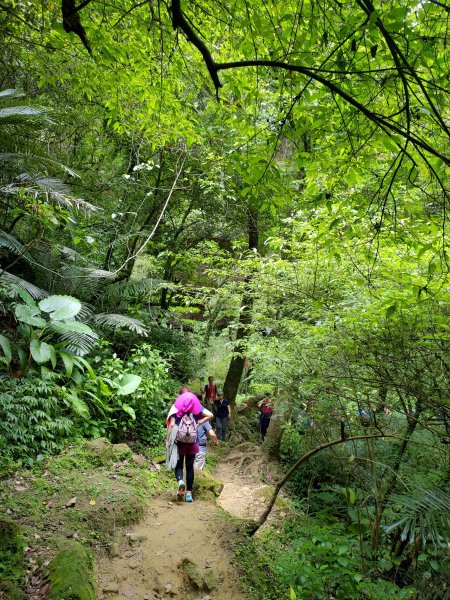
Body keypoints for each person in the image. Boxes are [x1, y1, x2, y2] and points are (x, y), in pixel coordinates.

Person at [166, 391, 212, 502]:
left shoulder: (176, 408)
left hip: (180, 443)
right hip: (192, 442)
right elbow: (210, 415)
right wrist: (199, 422)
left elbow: (171, 425)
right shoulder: (197, 408)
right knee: (190, 467)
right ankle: (189, 494)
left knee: (179, 466)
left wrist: (168, 441)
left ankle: (180, 481)